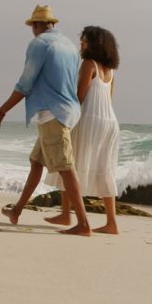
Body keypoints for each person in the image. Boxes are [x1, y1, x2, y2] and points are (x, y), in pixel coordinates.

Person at [0, 4, 92, 236]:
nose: (32, 29)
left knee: (65, 167)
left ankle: (83, 224)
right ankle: (17, 211)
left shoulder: (40, 44)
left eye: (33, 25)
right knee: (36, 161)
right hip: (69, 111)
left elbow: (25, 83)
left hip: (52, 113)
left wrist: (2, 110)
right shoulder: (70, 47)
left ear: (38, 25)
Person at [44, 26, 121, 234]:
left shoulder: (89, 64)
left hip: (88, 120)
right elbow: (109, 98)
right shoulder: (110, 70)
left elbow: (79, 97)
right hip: (110, 122)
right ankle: (111, 222)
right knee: (105, 170)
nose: (81, 43)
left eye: (85, 40)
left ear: (95, 44)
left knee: (70, 164)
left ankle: (70, 216)